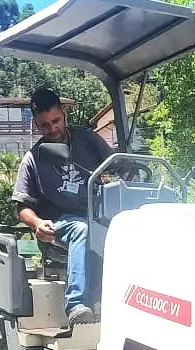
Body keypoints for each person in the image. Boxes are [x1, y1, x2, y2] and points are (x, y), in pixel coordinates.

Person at [11, 87, 116, 324]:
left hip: (98, 215)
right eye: (44, 125)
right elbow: (21, 206)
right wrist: (37, 223)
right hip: (61, 224)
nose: (52, 129)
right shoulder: (33, 159)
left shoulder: (88, 140)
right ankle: (77, 304)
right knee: (83, 230)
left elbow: (117, 166)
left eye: (56, 121)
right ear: (36, 125)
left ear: (64, 113)